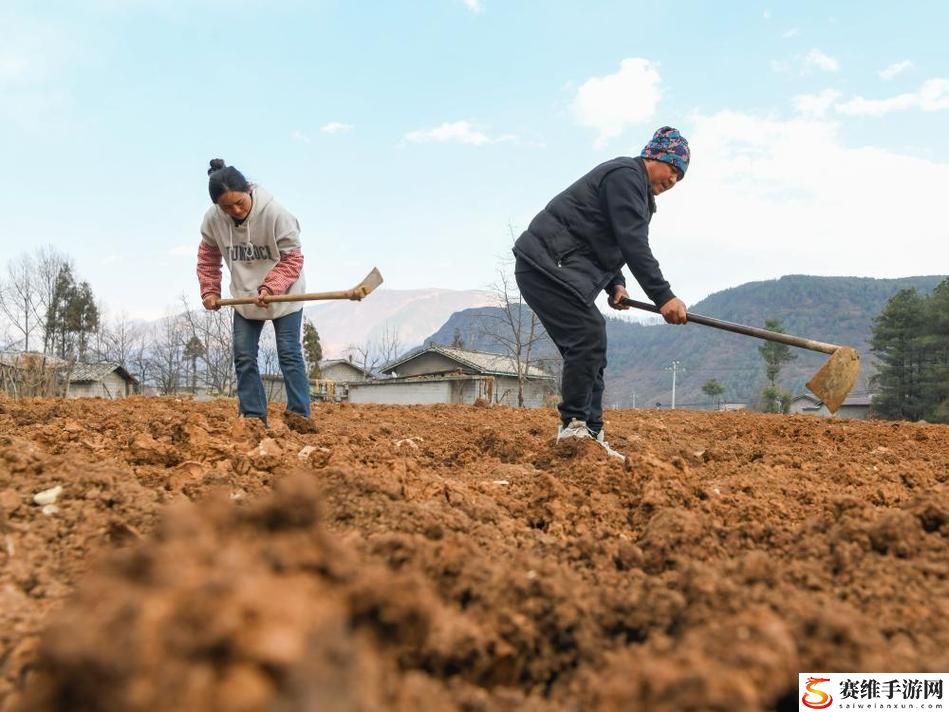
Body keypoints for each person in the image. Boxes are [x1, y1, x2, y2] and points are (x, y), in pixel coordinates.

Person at [512, 127, 690, 460]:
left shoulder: (634, 190)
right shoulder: (625, 176)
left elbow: (607, 241)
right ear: (655, 156)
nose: (673, 181)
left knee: (592, 344)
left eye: (680, 177)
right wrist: (663, 296)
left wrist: (616, 283)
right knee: (588, 335)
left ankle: (590, 432)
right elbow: (633, 243)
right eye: (673, 169)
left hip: (554, 266)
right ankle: (575, 426)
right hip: (544, 263)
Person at [196, 158, 312, 428]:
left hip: (285, 295)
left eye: (240, 203)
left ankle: (299, 417)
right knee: (244, 355)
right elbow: (207, 258)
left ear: (248, 190)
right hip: (245, 295)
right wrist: (209, 291)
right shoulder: (213, 221)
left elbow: (292, 259)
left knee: (288, 353)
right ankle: (252, 417)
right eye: (227, 207)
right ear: (217, 206)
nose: (235, 210)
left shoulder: (276, 214)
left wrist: (271, 286)